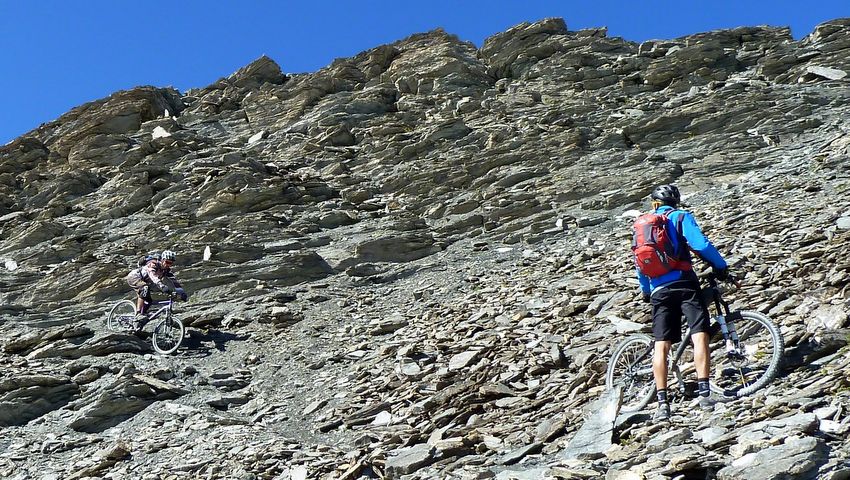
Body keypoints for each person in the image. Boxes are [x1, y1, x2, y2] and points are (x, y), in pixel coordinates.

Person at [635, 185, 729, 421]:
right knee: (699, 334)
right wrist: (721, 266)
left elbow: (640, 260)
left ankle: (662, 404)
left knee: (661, 345)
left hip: (658, 290)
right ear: (676, 202)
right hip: (685, 284)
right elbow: (701, 245)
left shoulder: (644, 226)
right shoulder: (680, 217)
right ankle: (705, 393)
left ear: (654, 203)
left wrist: (647, 290)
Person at [125, 249, 187, 329]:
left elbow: (175, 282)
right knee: (144, 288)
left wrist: (182, 293)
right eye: (167, 262)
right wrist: (161, 286)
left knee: (149, 300)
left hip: (147, 281)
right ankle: (138, 314)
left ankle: (139, 320)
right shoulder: (153, 264)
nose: (168, 265)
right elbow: (152, 276)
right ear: (163, 259)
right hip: (134, 277)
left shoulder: (166, 271)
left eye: (170, 263)